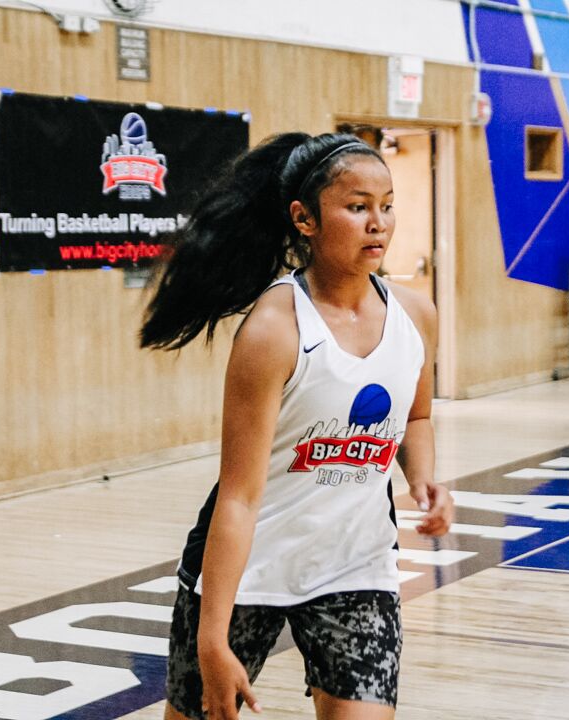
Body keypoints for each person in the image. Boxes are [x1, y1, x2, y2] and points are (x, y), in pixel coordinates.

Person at [140, 132, 454, 720]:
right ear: (303, 219)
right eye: (357, 207)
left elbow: (416, 416)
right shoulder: (274, 329)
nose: (377, 223)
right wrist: (212, 640)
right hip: (248, 570)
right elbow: (238, 496)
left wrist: (423, 479)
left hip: (356, 566)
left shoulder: (416, 315)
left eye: (387, 205)